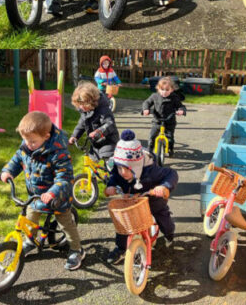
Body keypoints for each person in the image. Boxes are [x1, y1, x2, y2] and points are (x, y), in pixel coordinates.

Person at [0, 111, 85, 270]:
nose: (27, 143)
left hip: (57, 197)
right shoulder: (27, 146)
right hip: (35, 194)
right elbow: (18, 158)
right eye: (24, 139)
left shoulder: (58, 152)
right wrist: (8, 171)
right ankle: (30, 241)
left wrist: (53, 192)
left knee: (65, 224)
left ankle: (76, 249)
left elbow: (64, 177)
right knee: (30, 217)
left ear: (46, 137)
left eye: (32, 141)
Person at [104, 130, 178, 264]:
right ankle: (120, 248)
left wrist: (164, 186)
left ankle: (169, 233)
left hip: (152, 198)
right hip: (132, 200)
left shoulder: (151, 170)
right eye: (120, 168)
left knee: (162, 217)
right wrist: (111, 186)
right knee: (124, 223)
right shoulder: (118, 172)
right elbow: (113, 177)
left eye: (127, 169)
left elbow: (171, 173)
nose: (123, 173)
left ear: (136, 166)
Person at [68, 81, 119, 166]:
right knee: (90, 163)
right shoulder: (85, 111)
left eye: (84, 105)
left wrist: (98, 131)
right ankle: (91, 179)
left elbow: (110, 124)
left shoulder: (103, 109)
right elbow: (82, 124)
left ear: (92, 102)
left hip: (108, 141)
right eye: (79, 105)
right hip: (96, 142)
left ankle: (112, 177)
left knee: (109, 164)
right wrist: (75, 136)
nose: (81, 108)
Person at [141, 76, 186, 156]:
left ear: (172, 90)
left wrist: (181, 110)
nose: (164, 92)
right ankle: (149, 150)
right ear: (158, 88)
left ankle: (170, 149)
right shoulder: (154, 96)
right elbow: (146, 102)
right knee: (152, 136)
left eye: (167, 90)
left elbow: (180, 106)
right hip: (157, 120)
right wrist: (146, 109)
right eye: (162, 89)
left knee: (170, 138)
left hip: (169, 121)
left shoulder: (174, 97)